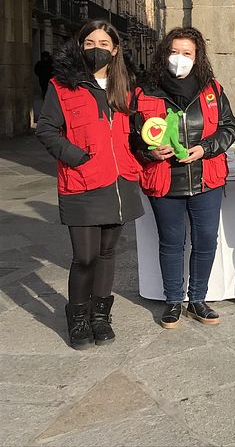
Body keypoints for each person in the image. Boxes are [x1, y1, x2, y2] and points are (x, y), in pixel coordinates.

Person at [35, 21, 143, 349]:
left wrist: (149, 148)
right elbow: (46, 129)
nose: (97, 47)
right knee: (85, 256)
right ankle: (78, 317)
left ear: (115, 50)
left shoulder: (126, 87)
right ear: (80, 46)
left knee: (108, 253)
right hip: (82, 181)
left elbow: (136, 132)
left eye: (104, 42)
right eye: (90, 41)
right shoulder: (61, 85)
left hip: (119, 179)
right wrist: (78, 157)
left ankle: (100, 315)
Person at [130, 28, 235, 329]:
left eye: (187, 53)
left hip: (205, 178)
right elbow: (130, 137)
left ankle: (198, 299)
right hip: (164, 180)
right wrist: (149, 153)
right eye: (174, 52)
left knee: (205, 240)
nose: (180, 58)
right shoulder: (144, 92)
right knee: (172, 241)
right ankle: (173, 301)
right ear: (164, 54)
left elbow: (229, 128)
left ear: (197, 57)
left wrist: (205, 148)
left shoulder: (211, 89)